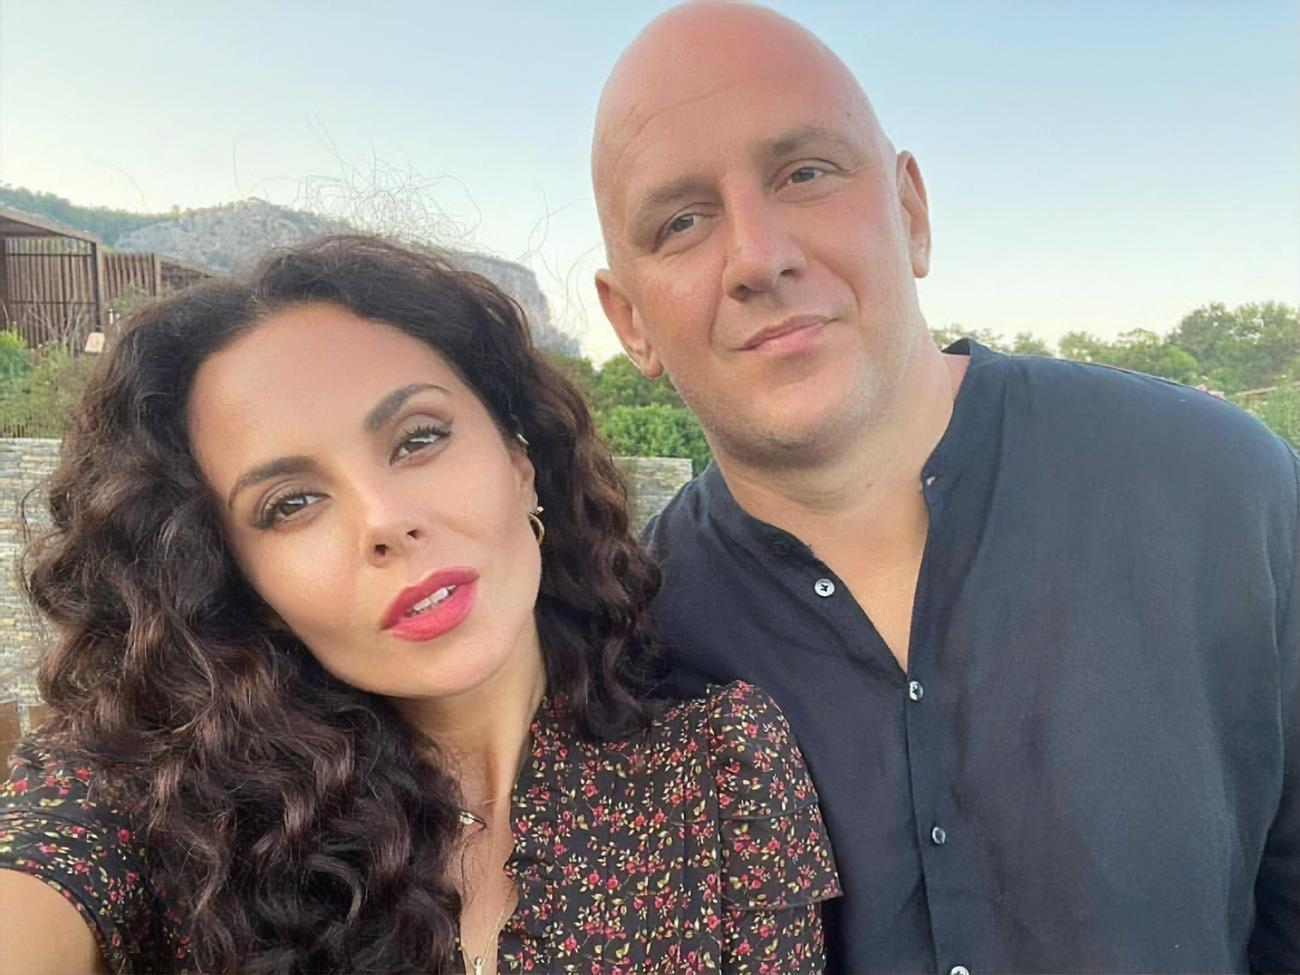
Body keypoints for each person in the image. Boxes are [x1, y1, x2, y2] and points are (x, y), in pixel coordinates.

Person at [591, 4, 1298, 973]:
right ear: (628, 319)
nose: (757, 256)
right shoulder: (623, 652)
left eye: (805, 173)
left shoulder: (1222, 493)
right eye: (681, 221)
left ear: (911, 213)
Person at [0, 236, 839, 974]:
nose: (384, 520)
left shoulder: (721, 770)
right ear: (246, 581)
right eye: (291, 503)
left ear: (519, 458)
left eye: (418, 438)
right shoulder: (162, 804)